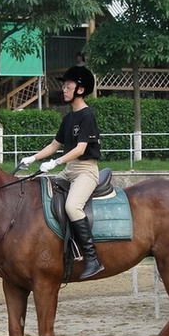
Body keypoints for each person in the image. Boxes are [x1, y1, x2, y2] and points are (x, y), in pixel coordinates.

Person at [19, 65, 104, 279]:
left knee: (72, 207)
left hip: (86, 171)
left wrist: (55, 163)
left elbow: (80, 149)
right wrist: (33, 158)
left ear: (80, 90)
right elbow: (54, 145)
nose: (64, 90)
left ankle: (92, 259)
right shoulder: (68, 118)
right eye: (64, 86)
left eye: (68, 86)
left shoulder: (87, 115)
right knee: (43, 193)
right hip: (69, 170)